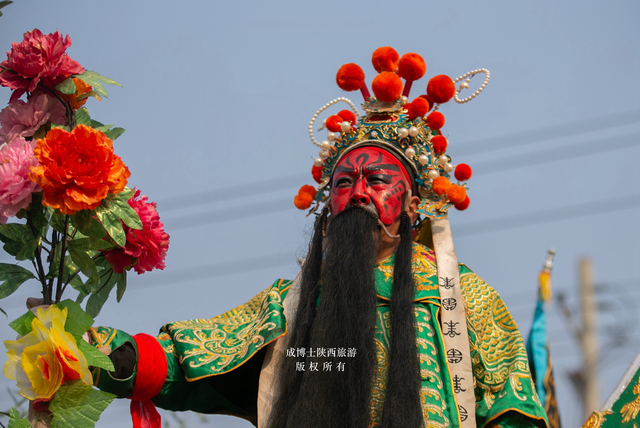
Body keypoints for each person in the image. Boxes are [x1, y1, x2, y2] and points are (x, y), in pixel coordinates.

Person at [56, 48, 551, 428]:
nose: (358, 193)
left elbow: (512, 409)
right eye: (342, 183)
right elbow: (190, 360)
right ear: (325, 206)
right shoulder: (292, 308)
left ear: (415, 204)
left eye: (377, 181)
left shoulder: (465, 300)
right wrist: (92, 354)